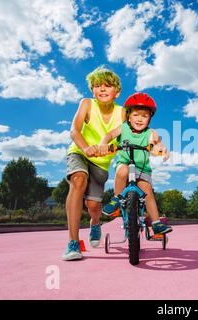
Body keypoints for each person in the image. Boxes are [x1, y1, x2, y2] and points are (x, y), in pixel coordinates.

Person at [62, 66, 126, 261]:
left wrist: (111, 149)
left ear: (117, 92)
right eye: (97, 86)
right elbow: (74, 131)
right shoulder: (87, 104)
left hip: (101, 164)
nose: (102, 89)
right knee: (78, 180)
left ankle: (95, 222)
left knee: (93, 205)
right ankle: (73, 242)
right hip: (79, 152)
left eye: (107, 85)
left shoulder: (123, 112)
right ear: (93, 91)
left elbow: (125, 141)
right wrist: (86, 148)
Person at [100, 92, 173, 235]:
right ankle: (116, 199)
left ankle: (156, 223)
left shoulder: (150, 132)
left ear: (149, 118)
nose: (140, 119)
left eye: (144, 116)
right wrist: (103, 144)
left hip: (142, 168)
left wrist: (162, 149)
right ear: (128, 115)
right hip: (125, 163)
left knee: (147, 191)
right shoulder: (123, 128)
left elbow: (156, 143)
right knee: (122, 171)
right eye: (136, 115)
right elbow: (109, 135)